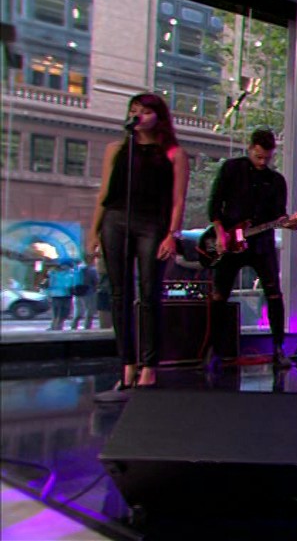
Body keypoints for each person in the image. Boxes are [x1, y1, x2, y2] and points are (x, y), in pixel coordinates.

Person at [86, 92, 189, 390]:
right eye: (134, 110)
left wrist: (172, 234)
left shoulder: (173, 154)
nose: (138, 116)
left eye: (145, 111)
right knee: (119, 293)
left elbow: (178, 200)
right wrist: (94, 231)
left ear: (159, 116)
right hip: (116, 220)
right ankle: (127, 363)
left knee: (148, 294)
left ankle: (149, 365)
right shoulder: (117, 149)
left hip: (152, 224)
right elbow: (105, 193)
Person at [207, 128, 297, 369]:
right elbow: (215, 203)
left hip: (261, 243)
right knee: (219, 295)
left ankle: (278, 348)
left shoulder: (276, 181)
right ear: (250, 149)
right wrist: (220, 233)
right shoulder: (232, 169)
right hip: (230, 240)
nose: (262, 162)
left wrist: (288, 223)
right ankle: (213, 349)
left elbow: (279, 215)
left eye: (266, 158)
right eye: (258, 156)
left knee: (274, 294)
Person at [44, 263, 75, 331]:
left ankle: (54, 326)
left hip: (56, 295)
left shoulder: (52, 274)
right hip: (66, 295)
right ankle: (58, 326)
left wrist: (48, 294)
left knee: (56, 312)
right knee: (63, 312)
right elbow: (72, 284)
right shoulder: (70, 273)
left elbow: (47, 284)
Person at [71, 255, 99, 329]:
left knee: (77, 310)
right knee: (89, 310)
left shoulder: (75, 270)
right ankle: (87, 326)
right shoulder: (91, 270)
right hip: (88, 292)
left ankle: (74, 326)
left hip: (77, 292)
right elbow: (96, 281)